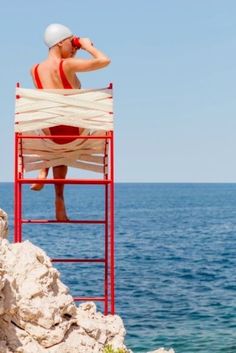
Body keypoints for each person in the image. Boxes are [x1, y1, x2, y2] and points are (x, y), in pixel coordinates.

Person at [30, 23, 111, 221]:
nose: (73, 46)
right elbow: (104, 60)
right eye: (70, 42)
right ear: (59, 43)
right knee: (71, 132)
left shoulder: (35, 70)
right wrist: (86, 46)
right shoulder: (66, 66)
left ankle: (44, 172)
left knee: (55, 136)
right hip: (74, 134)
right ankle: (58, 197)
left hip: (50, 137)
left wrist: (72, 49)